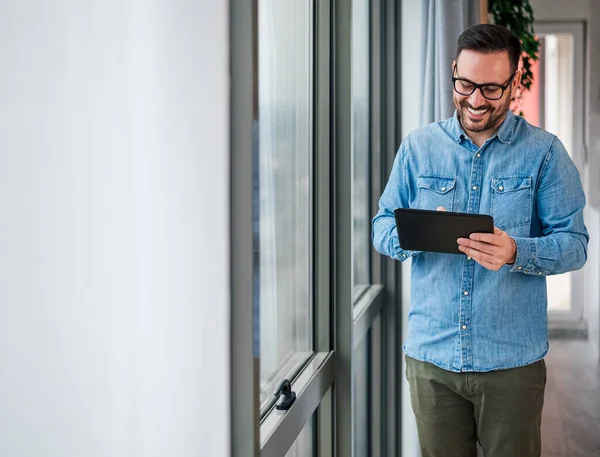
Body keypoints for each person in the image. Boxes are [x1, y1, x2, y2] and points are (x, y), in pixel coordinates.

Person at [372, 24, 589, 457]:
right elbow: (381, 227)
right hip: (432, 360)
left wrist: (517, 251)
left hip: (511, 363)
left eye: (491, 89)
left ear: (514, 83)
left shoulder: (545, 153)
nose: (474, 100)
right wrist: (413, 235)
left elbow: (575, 243)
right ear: (454, 71)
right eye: (466, 84)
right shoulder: (418, 148)